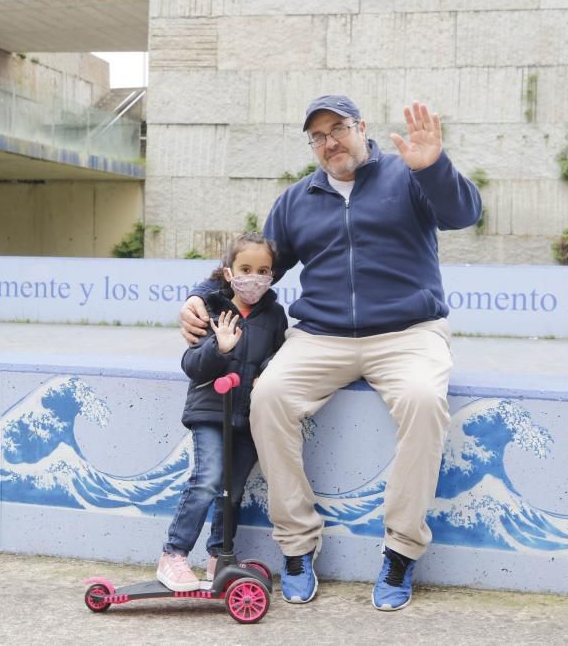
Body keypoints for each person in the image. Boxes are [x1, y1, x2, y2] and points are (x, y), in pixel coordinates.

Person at [178, 95, 481, 610]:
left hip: (408, 333)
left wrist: (434, 167)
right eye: (317, 136)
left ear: (361, 127)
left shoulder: (408, 176)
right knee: (268, 396)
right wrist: (201, 297)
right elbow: (255, 266)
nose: (329, 143)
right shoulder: (298, 200)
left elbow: (463, 213)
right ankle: (296, 548)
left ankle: (401, 552)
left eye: (337, 129)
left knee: (424, 402)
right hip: (321, 336)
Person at [157, 232, 288, 591]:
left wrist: (269, 373)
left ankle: (220, 557)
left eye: (263, 270)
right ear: (229, 273)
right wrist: (220, 346)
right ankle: (174, 554)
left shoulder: (275, 315)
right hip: (211, 412)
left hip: (247, 417)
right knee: (207, 480)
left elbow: (277, 357)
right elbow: (193, 364)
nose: (254, 277)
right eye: (245, 268)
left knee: (232, 489)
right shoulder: (211, 307)